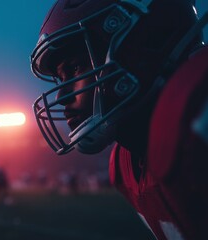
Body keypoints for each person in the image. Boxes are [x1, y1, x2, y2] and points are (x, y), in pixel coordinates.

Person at [29, 0, 208, 239]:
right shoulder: (124, 164)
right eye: (60, 79)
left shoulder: (199, 116)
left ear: (147, 41)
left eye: (74, 67)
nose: (62, 97)